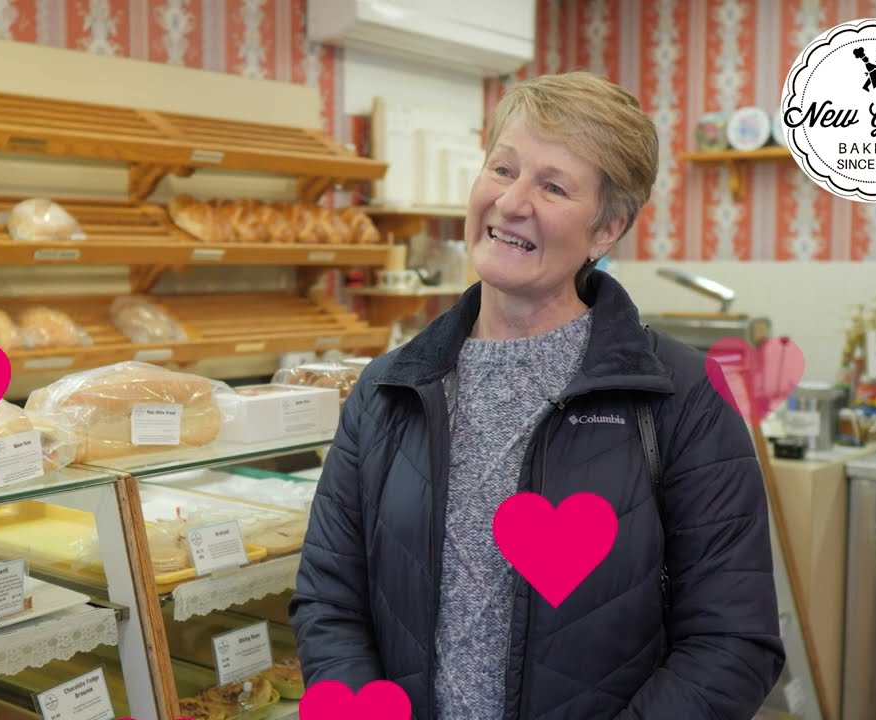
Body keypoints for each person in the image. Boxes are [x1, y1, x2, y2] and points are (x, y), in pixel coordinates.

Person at [289, 71, 785, 719]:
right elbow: (329, 602)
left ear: (606, 229)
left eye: (552, 186)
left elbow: (732, 643)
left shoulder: (683, 398)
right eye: (502, 169)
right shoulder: (388, 390)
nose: (512, 201)